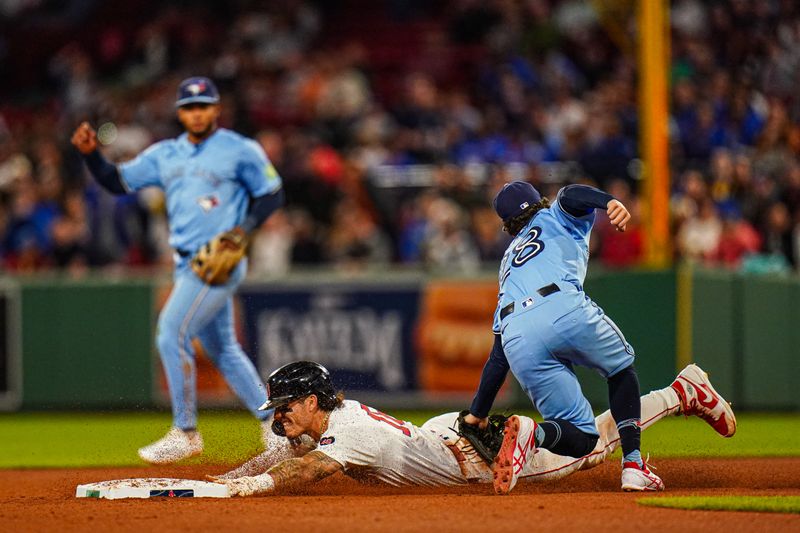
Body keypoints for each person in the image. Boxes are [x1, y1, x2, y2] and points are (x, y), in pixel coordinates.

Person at [460, 181, 735, 491]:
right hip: (560, 304)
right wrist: (610, 201)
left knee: (581, 437)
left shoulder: (507, 262)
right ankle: (633, 465)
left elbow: (498, 357)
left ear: (507, 225)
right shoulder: (554, 215)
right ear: (539, 202)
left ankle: (531, 434)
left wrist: (477, 413)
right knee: (620, 371)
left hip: (515, 336)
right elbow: (573, 195)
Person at [71, 76, 285, 464]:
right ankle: (274, 426)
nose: (197, 112)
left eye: (203, 105)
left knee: (171, 332)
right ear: (180, 112)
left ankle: (185, 431)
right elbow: (116, 182)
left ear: (217, 110)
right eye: (189, 106)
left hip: (220, 259)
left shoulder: (240, 149)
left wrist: (243, 231)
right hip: (185, 261)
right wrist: (91, 156)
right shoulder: (165, 154)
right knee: (224, 349)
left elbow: (272, 194)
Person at [209, 360, 736, 496]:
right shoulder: (330, 419)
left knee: (594, 446)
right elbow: (285, 455)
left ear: (310, 401)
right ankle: (522, 430)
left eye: (282, 407)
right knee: (578, 435)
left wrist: (246, 488)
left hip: (469, 460)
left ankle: (683, 392)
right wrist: (231, 477)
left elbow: (310, 470)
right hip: (442, 437)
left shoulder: (345, 434)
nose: (276, 417)